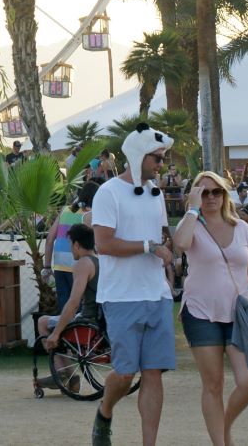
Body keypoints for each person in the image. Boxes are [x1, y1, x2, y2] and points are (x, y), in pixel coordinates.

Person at [172, 170, 248, 446]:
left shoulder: (241, 227)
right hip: (200, 313)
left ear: (225, 193)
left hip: (238, 313)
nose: (211, 197)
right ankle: (220, 443)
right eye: (204, 192)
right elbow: (180, 246)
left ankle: (224, 428)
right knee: (213, 385)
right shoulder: (192, 224)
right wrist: (192, 209)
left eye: (216, 191)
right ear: (196, 195)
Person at [89, 124, 176, 446]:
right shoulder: (108, 192)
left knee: (153, 373)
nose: (161, 164)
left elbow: (164, 239)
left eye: (163, 158)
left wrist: (168, 256)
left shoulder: (157, 195)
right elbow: (105, 245)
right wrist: (148, 247)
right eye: (157, 158)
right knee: (124, 374)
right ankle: (105, 409)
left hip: (158, 296)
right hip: (122, 297)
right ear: (139, 155)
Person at [38, 222, 98, 352]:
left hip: (87, 320)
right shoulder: (100, 261)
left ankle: (61, 370)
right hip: (100, 318)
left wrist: (56, 333)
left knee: (42, 321)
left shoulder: (82, 264)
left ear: (76, 245)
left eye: (70, 244)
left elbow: (74, 303)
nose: (70, 248)